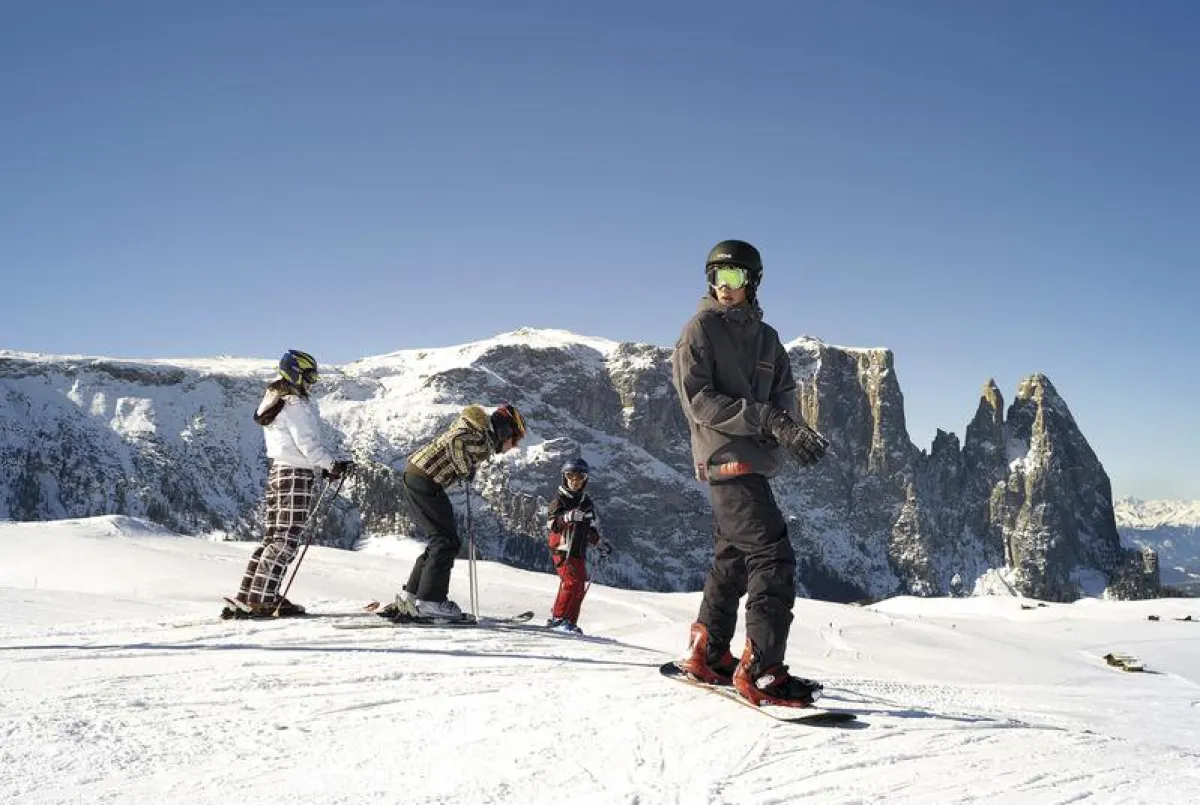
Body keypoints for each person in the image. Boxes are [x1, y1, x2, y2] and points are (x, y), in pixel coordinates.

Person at [670, 239, 830, 706]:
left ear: (753, 282)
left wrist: (790, 429)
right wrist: (765, 420)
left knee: (733, 559)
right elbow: (699, 401)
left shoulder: (767, 339)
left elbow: (781, 395)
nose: (725, 286)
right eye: (717, 277)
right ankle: (762, 668)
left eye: (735, 277)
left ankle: (709, 652)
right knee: (772, 558)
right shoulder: (699, 330)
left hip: (755, 463)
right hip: (724, 458)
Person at [223, 349, 352, 619]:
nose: (312, 382)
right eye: (309, 376)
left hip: (280, 472)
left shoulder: (276, 400)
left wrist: (324, 464)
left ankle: (251, 594)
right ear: (295, 373)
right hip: (296, 474)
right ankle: (262, 599)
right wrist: (332, 465)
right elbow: (307, 444)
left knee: (273, 538)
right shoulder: (293, 404)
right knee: (285, 541)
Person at [395, 403, 526, 619]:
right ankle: (431, 601)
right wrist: (465, 468)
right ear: (505, 431)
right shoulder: (481, 438)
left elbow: (457, 443)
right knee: (446, 541)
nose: (514, 445)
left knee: (440, 540)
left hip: (419, 476)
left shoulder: (480, 435)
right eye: (515, 438)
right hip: (425, 479)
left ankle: (412, 596)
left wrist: (466, 467)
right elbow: (454, 440)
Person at [545, 458, 612, 634]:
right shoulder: (560, 499)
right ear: (564, 478)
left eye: (579, 478)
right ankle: (558, 618)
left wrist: (599, 544)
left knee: (579, 585)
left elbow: (589, 527)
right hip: (562, 548)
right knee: (570, 582)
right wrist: (567, 518)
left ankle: (570, 621)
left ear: (585, 480)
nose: (574, 482)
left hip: (578, 549)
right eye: (570, 477)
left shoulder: (585, 501)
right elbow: (552, 524)